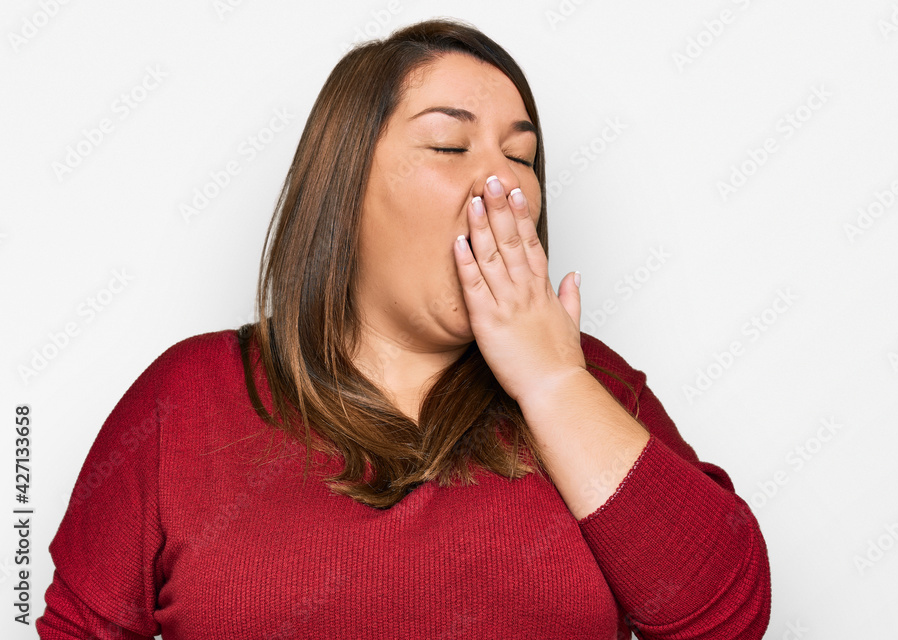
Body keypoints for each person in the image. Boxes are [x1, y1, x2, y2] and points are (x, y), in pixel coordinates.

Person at [36, 17, 771, 639]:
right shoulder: (186, 399)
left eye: (521, 157)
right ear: (346, 188)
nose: (503, 184)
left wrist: (552, 382)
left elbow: (725, 621)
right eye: (450, 147)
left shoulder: (593, 385)